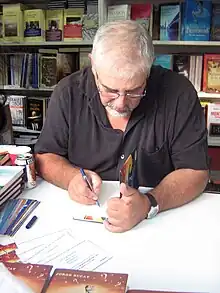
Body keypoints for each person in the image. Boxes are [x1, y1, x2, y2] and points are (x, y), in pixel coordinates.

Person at [35, 20, 209, 233]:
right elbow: (45, 157)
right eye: (109, 90)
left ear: (148, 69)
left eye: (134, 90)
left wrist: (149, 203)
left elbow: (196, 172)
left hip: (159, 223)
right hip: (81, 222)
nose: (120, 103)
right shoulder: (68, 93)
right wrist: (70, 177)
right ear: (93, 66)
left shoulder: (179, 94)